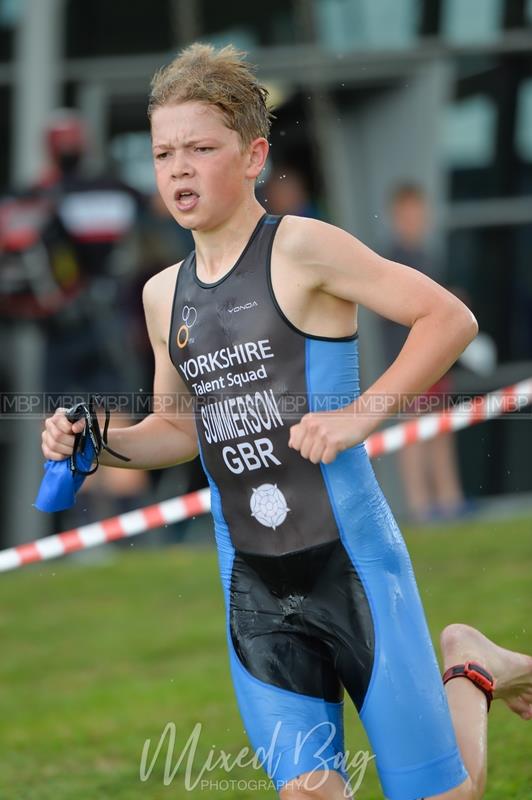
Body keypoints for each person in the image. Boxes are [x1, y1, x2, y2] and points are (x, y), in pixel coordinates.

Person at [41, 44, 532, 800]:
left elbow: (449, 318)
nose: (178, 169)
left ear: (253, 156)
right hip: (253, 591)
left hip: (354, 570)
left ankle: (468, 664)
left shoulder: (303, 247)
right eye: (164, 152)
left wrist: (355, 418)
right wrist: (97, 442)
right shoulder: (160, 294)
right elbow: (177, 430)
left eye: (201, 149)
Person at [381, 184, 466, 523]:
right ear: (396, 218)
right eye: (407, 215)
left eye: (419, 213)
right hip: (408, 361)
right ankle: (421, 508)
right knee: (413, 434)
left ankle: (450, 500)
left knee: (440, 432)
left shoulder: (429, 256)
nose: (414, 220)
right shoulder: (392, 260)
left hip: (437, 361)